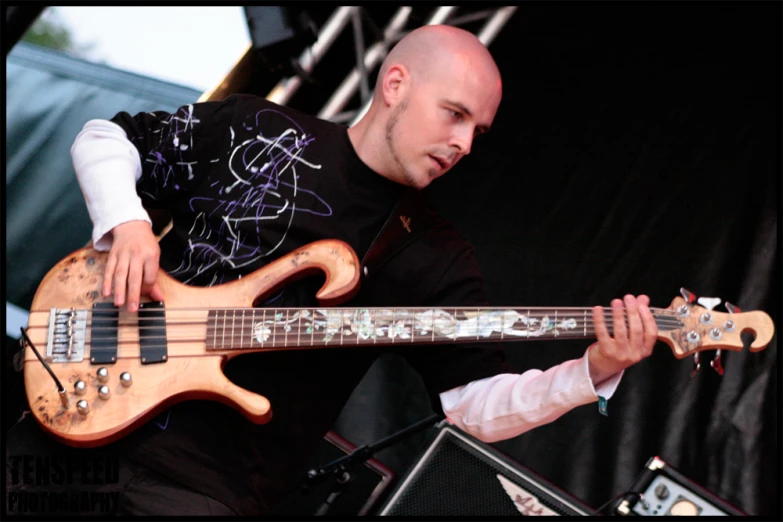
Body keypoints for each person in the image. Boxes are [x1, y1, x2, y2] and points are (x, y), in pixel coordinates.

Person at [9, 25, 657, 516]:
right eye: (453, 114)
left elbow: (474, 408)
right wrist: (126, 223)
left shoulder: (433, 253)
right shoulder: (255, 129)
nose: (462, 143)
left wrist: (590, 373)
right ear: (396, 84)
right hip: (69, 426)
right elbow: (105, 138)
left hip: (204, 490)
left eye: (477, 132)